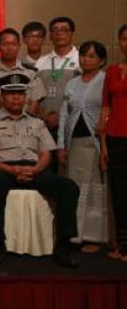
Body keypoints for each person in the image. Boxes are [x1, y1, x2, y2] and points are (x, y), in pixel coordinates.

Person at [0, 73, 79, 267]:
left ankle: (63, 246)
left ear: (26, 97)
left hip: (33, 168)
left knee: (69, 187)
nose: (16, 98)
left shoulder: (36, 121)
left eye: (20, 93)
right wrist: (9, 169)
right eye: (11, 93)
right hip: (3, 168)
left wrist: (35, 170)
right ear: (2, 97)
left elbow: (46, 152)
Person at [57, 41, 107, 253]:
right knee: (75, 188)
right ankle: (73, 234)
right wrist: (61, 144)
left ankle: (94, 237)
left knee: (95, 189)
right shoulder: (72, 83)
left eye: (92, 56)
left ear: (102, 60)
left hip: (96, 142)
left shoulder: (105, 81)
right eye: (84, 55)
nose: (86, 59)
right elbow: (64, 115)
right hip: (74, 143)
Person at [101, 24, 127, 262]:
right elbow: (106, 106)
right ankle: (122, 245)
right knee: (119, 193)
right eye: (125, 39)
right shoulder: (111, 71)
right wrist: (104, 141)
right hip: (116, 136)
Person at [0, 28, 45, 116]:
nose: (9, 48)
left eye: (13, 44)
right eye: (5, 44)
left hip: (25, 125)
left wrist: (24, 123)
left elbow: (34, 104)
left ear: (19, 46)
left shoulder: (31, 73)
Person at [37, 17, 81, 133]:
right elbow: (33, 95)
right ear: (50, 35)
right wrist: (45, 116)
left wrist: (63, 116)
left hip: (74, 123)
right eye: (55, 30)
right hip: (43, 123)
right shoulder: (41, 62)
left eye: (64, 30)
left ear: (72, 34)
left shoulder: (81, 60)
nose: (59, 33)